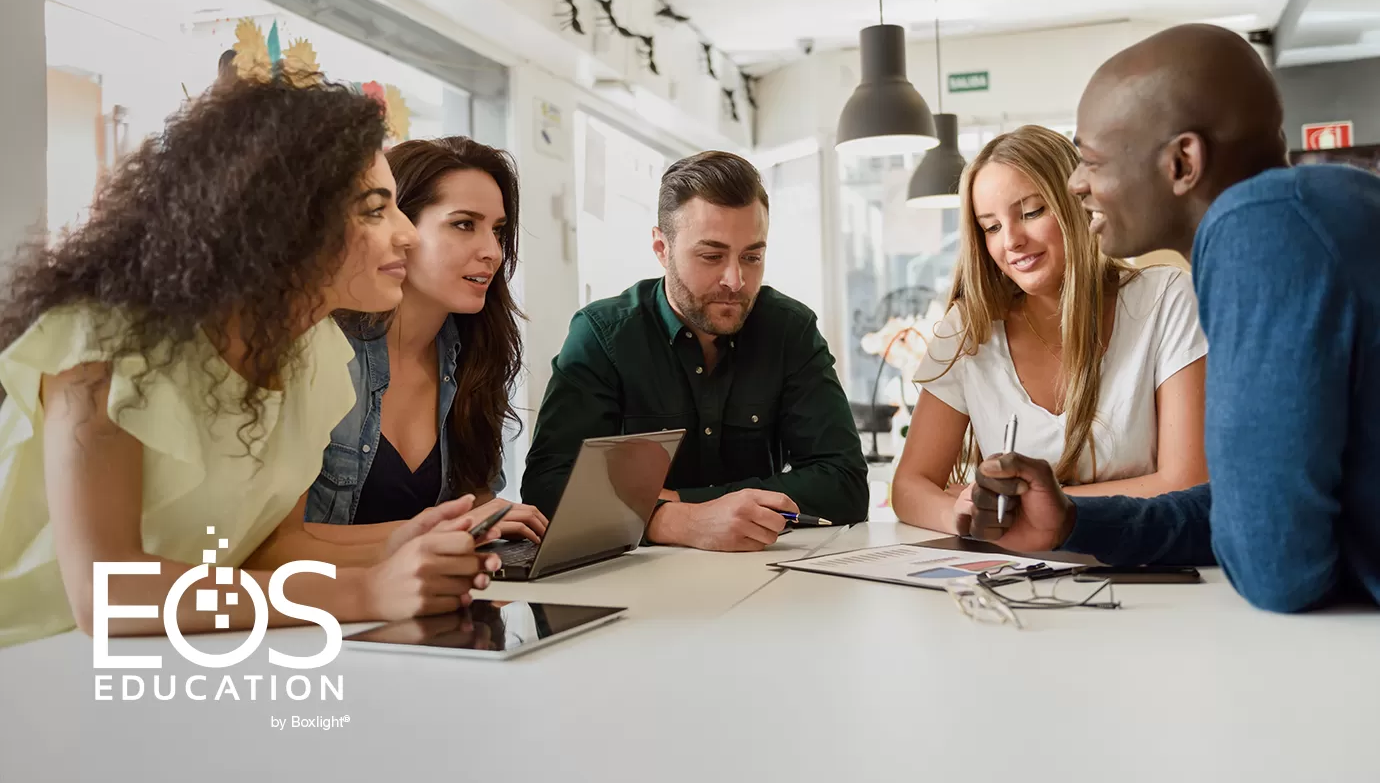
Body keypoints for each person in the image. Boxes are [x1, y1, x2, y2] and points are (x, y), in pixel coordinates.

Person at [0, 77, 502, 649]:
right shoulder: (99, 344)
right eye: (374, 211)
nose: (408, 236)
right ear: (283, 221)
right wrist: (367, 590)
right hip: (27, 663)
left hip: (165, 658)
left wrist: (399, 545)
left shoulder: (314, 353)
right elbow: (107, 592)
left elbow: (271, 548)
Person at [966, 24, 1380, 612]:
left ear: (1183, 161)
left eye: (1092, 160)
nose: (1077, 184)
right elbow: (1246, 504)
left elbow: (1276, 567)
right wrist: (1072, 521)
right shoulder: (1326, 202)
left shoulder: (1258, 230)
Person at [522, 151, 868, 552]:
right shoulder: (604, 336)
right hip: (638, 592)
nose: (736, 280)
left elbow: (845, 485)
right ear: (661, 248)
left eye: (752, 257)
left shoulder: (790, 330)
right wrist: (673, 521)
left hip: (764, 582)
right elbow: (547, 488)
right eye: (712, 256)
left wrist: (681, 501)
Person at [891, 125, 1208, 534]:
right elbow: (910, 486)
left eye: (1031, 212)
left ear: (1075, 202)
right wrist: (961, 512)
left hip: (1144, 569)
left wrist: (1032, 506)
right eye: (991, 227)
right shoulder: (968, 330)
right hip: (1015, 576)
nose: (1012, 241)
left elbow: (1187, 484)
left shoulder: (1167, 300)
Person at [301, 137, 547, 544]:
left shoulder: (475, 352)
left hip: (425, 598)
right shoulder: (323, 351)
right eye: (464, 224)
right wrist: (444, 531)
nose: (492, 252)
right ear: (398, 228)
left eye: (498, 230)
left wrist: (486, 526)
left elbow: (477, 506)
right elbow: (273, 543)